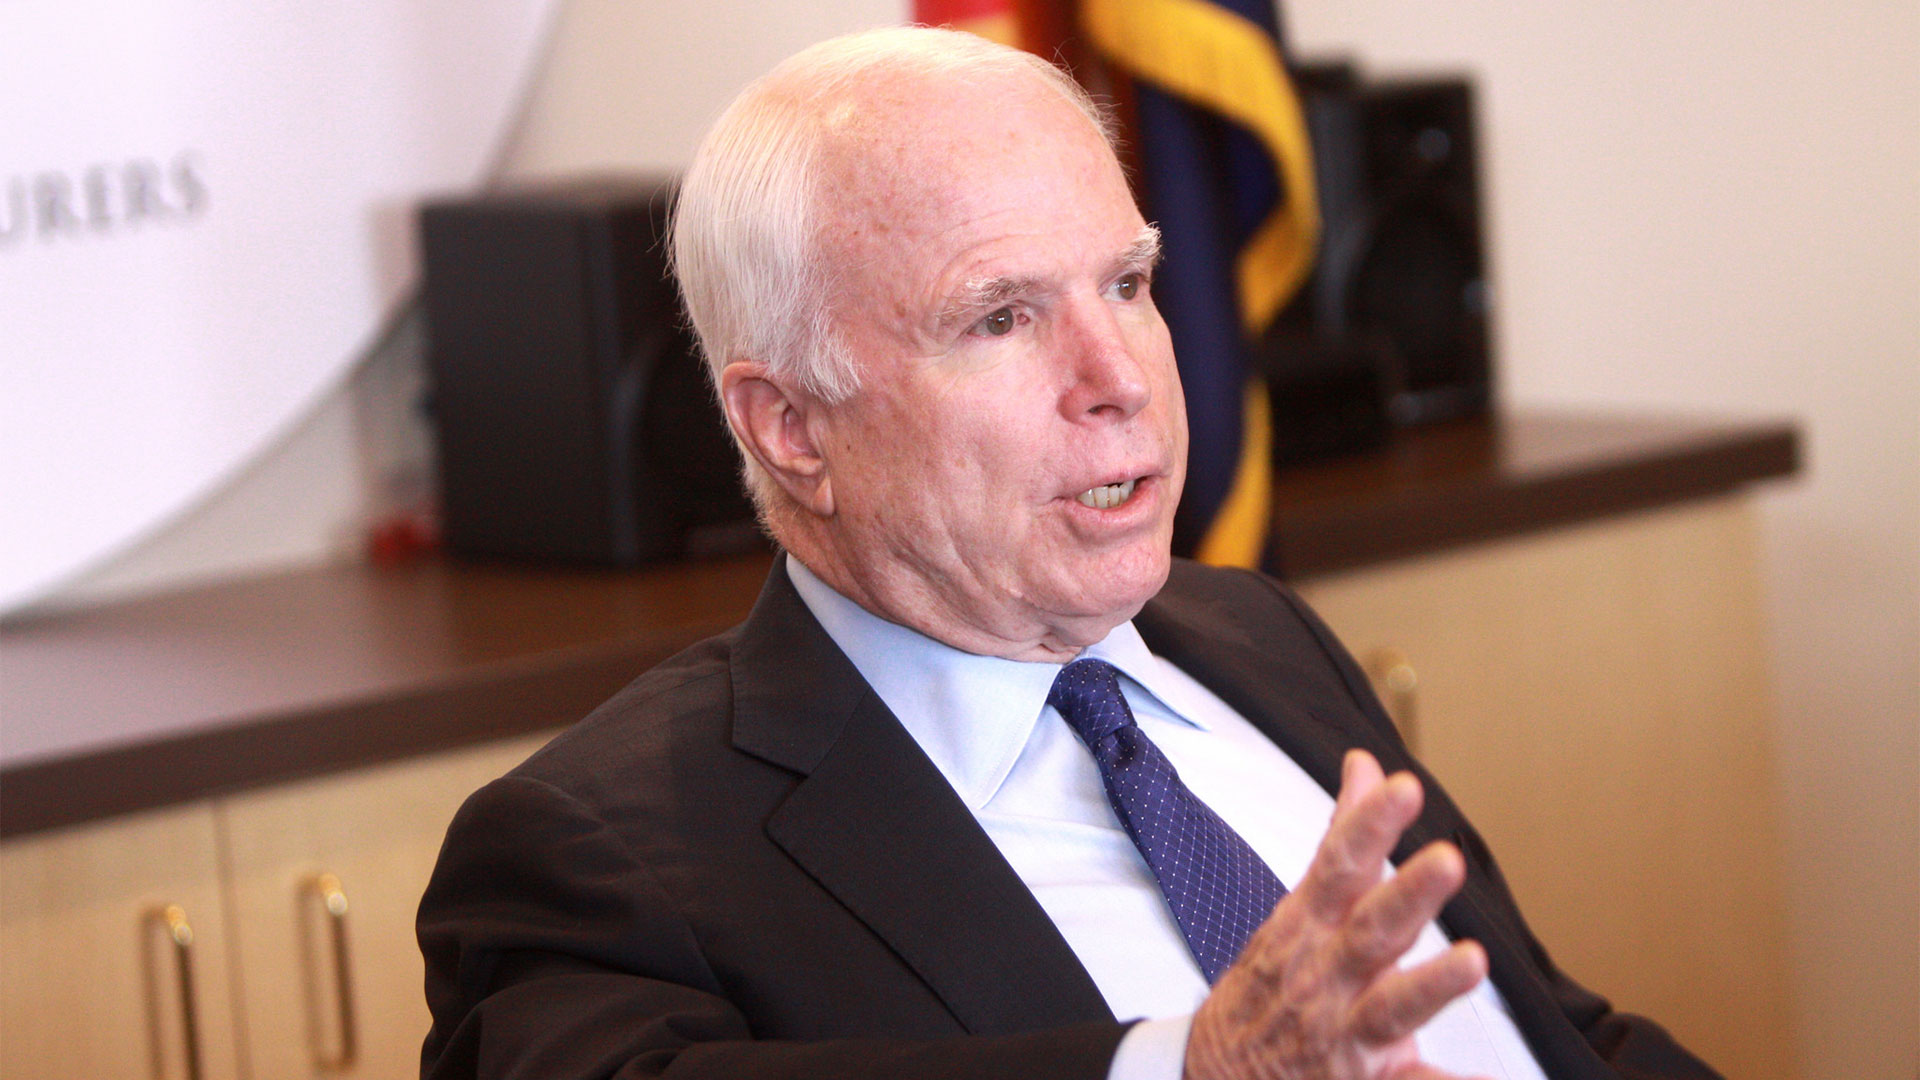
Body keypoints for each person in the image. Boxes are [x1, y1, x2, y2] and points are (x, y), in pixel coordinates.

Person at [418, 26, 1719, 1080]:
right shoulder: (588, 858)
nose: (1120, 379)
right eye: (1000, 318)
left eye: (1130, 285)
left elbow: (1557, 1033)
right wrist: (1192, 1074)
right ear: (790, 425)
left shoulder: (1257, 640)